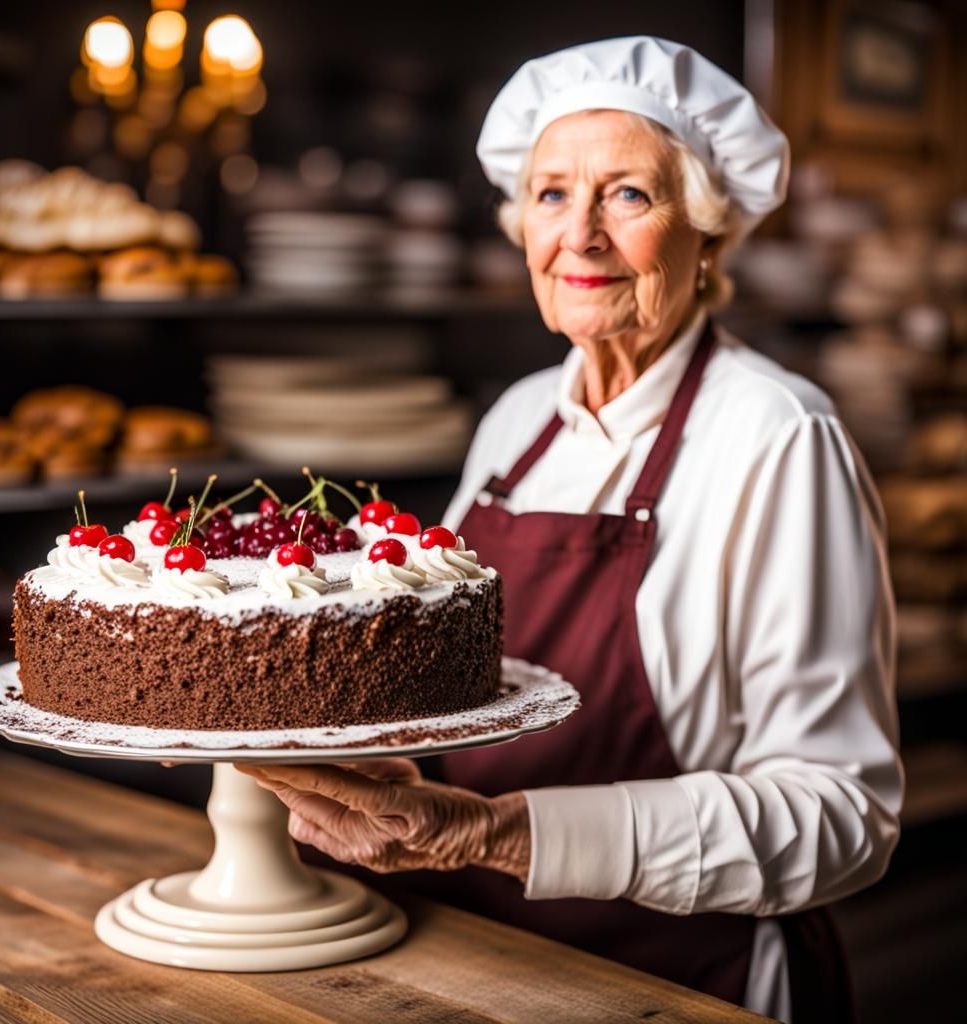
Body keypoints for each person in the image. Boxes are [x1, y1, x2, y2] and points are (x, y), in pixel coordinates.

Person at [239, 37, 902, 1022]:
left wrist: (500, 834)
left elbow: (842, 817)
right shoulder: (517, 421)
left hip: (680, 977)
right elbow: (468, 689)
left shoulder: (777, 434)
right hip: (476, 957)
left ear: (706, 232)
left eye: (627, 194)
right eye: (551, 194)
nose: (580, 236)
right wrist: (399, 768)